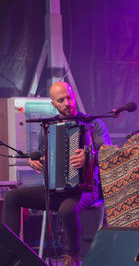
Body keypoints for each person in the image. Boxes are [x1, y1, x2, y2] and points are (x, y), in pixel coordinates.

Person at [1, 81, 111, 266]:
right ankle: (9, 253)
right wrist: (34, 161)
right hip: (55, 190)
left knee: (67, 209)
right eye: (61, 100)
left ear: (74, 97)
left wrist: (89, 157)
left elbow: (110, 156)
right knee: (12, 197)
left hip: (87, 190)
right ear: (53, 104)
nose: (67, 103)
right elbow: (42, 156)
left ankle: (71, 257)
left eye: (69, 98)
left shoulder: (93, 124)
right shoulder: (48, 127)